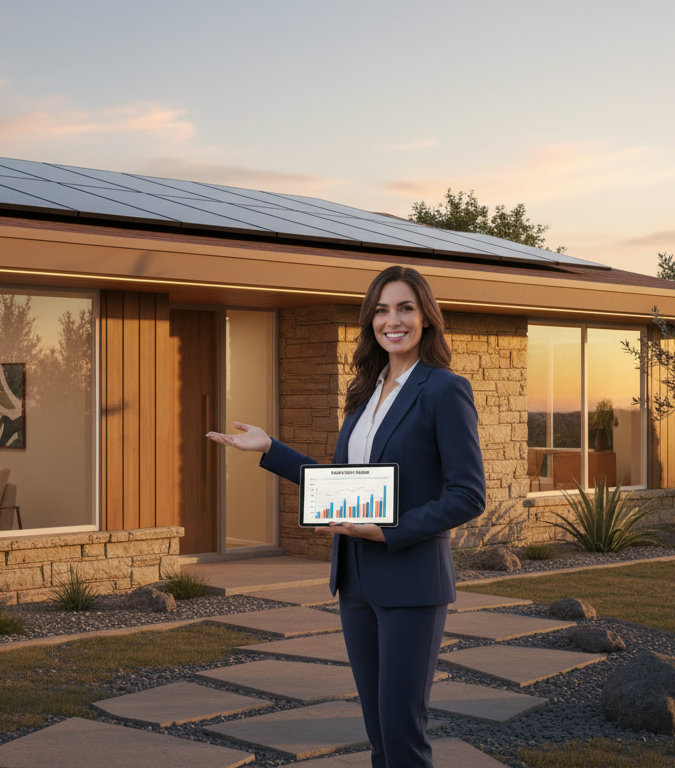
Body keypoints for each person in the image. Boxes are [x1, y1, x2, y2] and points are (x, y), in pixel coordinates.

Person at [206, 265, 485, 768]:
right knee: (378, 732)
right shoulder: (365, 393)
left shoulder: (445, 390)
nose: (391, 320)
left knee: (403, 736)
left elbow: (468, 495)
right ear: (369, 321)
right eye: (380, 310)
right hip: (355, 583)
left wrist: (389, 530)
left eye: (404, 308)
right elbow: (345, 487)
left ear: (426, 317)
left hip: (411, 584)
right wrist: (271, 448)